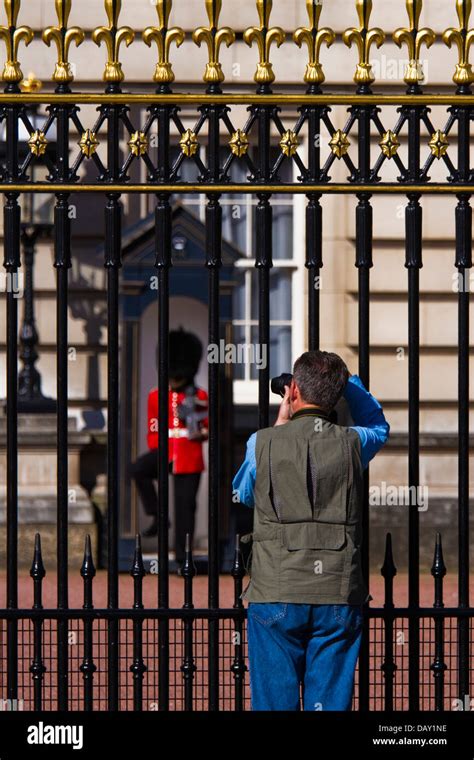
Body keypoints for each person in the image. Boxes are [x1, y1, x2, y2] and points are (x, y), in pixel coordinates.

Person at [232, 350, 390, 711]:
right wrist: (348, 385)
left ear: (294, 391)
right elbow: (380, 427)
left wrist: (279, 426)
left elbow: (242, 494)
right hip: (336, 590)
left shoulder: (263, 442)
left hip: (276, 587)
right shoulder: (354, 442)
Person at [129, 329, 208, 564]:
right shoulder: (156, 396)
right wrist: (159, 450)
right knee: (137, 470)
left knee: (185, 508)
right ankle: (157, 515)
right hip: (164, 451)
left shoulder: (200, 395)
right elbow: (153, 427)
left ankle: (182, 557)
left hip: (188, 454)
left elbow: (207, 428)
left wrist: (196, 428)